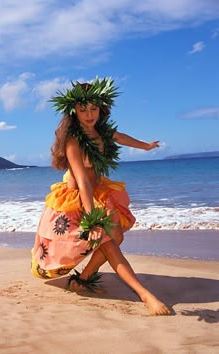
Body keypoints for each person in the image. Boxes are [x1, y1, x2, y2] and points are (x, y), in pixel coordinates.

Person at [31, 77, 171, 315]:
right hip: (76, 199)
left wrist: (145, 146)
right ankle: (146, 295)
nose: (89, 114)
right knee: (108, 241)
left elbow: (121, 137)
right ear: (73, 110)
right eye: (83, 109)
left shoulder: (103, 132)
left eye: (94, 108)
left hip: (97, 192)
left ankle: (81, 281)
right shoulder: (73, 140)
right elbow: (83, 181)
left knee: (115, 236)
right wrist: (92, 219)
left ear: (101, 108)